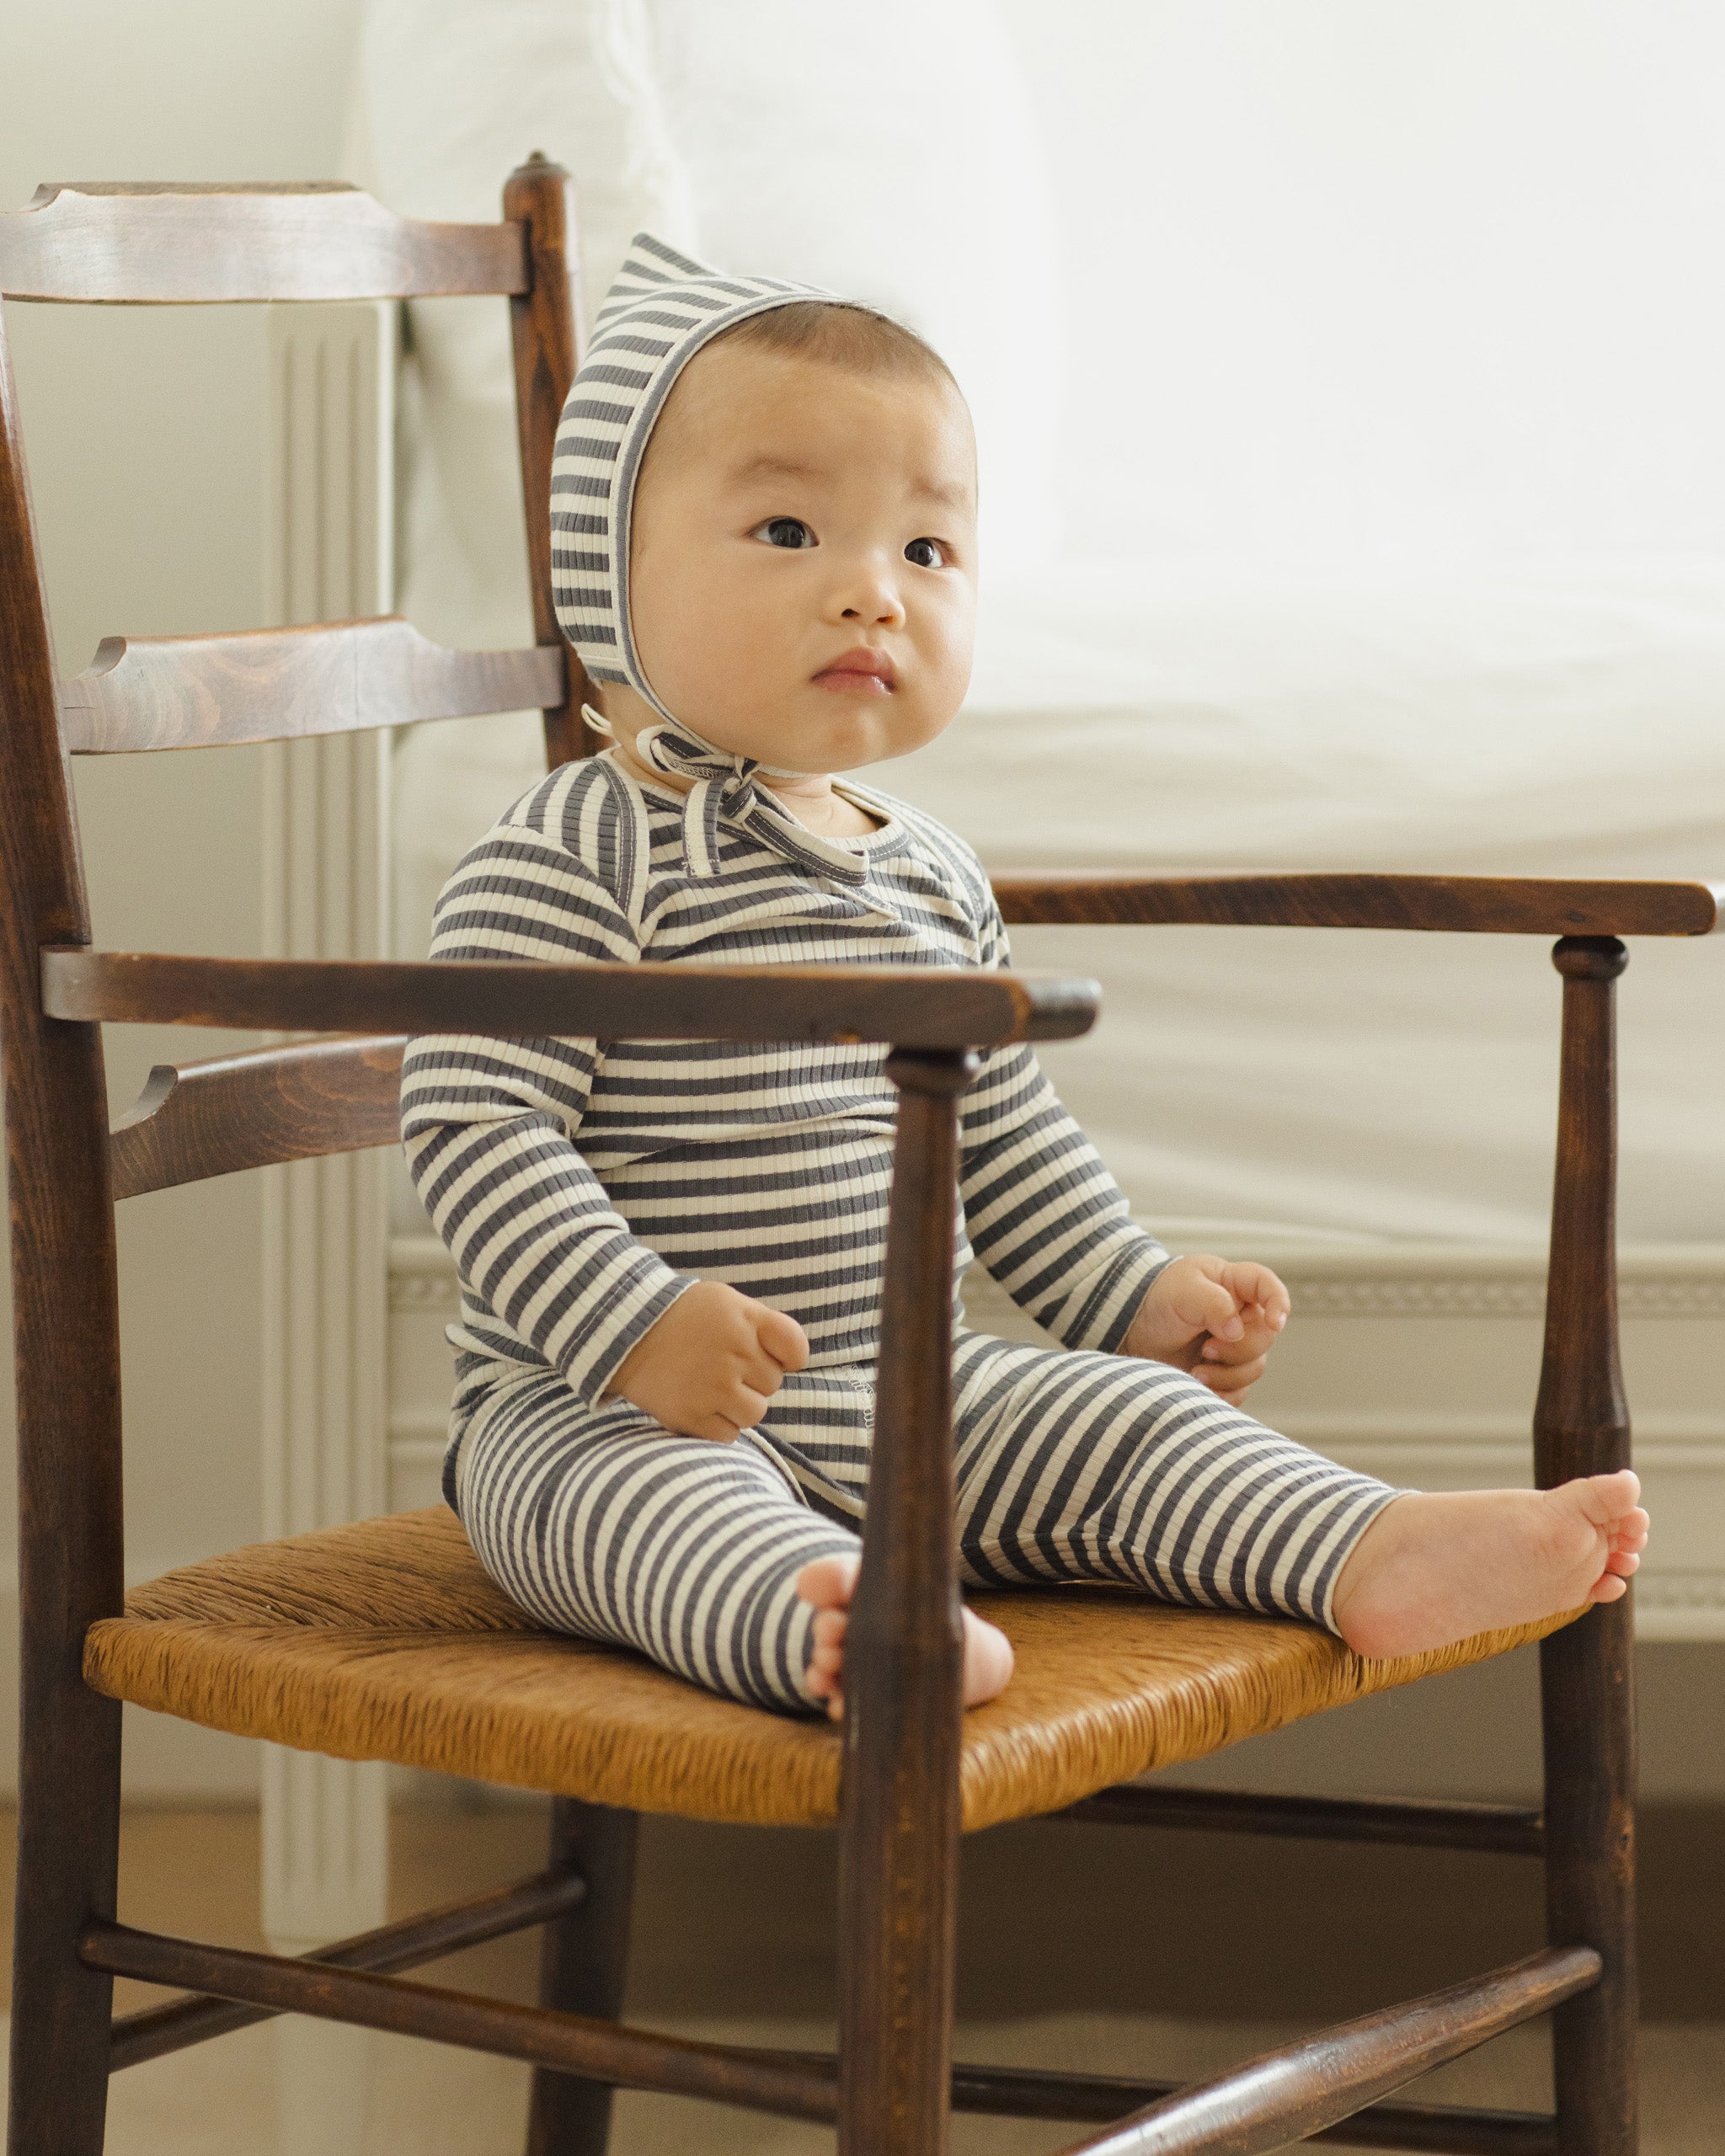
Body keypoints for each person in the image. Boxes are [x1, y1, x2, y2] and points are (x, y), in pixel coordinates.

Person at [400, 232, 1647, 1721]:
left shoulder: (927, 870)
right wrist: (631, 1325)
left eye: (925, 550)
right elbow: (474, 1128)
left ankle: (1357, 1548)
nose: (874, 593)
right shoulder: (576, 848)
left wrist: (1129, 1293)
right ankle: (840, 1627)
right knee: (662, 1518)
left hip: (904, 1390)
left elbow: (1008, 1136)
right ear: (611, 569)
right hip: (597, 1407)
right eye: (791, 531)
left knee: (1124, 1420)